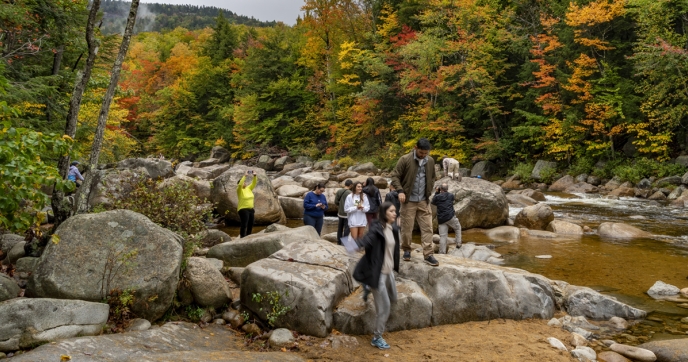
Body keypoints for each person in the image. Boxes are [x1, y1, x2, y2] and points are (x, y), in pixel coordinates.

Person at [353, 201, 400, 350]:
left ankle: (367, 286)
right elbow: (368, 239)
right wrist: (355, 244)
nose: (395, 213)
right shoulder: (376, 227)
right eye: (392, 211)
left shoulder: (393, 227)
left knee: (394, 299)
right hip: (378, 273)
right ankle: (377, 337)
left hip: (389, 272)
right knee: (385, 307)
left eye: (395, 211)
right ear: (384, 213)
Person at [390, 138, 439, 266]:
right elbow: (395, 176)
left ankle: (428, 254)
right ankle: (406, 249)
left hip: (424, 200)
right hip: (408, 201)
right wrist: (400, 191)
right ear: (415, 148)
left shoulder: (430, 161)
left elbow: (433, 177)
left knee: (428, 228)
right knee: (407, 228)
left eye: (426, 153)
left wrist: (429, 190)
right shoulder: (405, 159)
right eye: (421, 152)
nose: (423, 155)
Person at [431, 183, 462, 253]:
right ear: (447, 189)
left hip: (441, 219)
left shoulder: (437, 197)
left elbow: (433, 202)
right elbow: (452, 200)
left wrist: (437, 192)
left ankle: (442, 252)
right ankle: (458, 243)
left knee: (443, 236)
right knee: (458, 228)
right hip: (450, 217)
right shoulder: (451, 195)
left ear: (440, 189)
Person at [236, 170, 258, 237]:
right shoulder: (239, 190)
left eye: (245, 182)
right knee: (244, 224)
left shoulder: (248, 188)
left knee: (251, 223)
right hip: (243, 209)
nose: (244, 183)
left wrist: (254, 175)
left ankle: (248, 236)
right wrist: (245, 176)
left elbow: (254, 183)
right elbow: (240, 184)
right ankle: (242, 237)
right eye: (243, 182)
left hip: (250, 209)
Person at [334, 180, 353, 245]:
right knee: (347, 229)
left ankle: (338, 241)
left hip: (340, 213)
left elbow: (336, 202)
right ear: (350, 185)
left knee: (340, 228)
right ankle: (344, 243)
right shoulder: (350, 193)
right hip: (347, 214)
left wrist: (340, 206)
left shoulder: (339, 191)